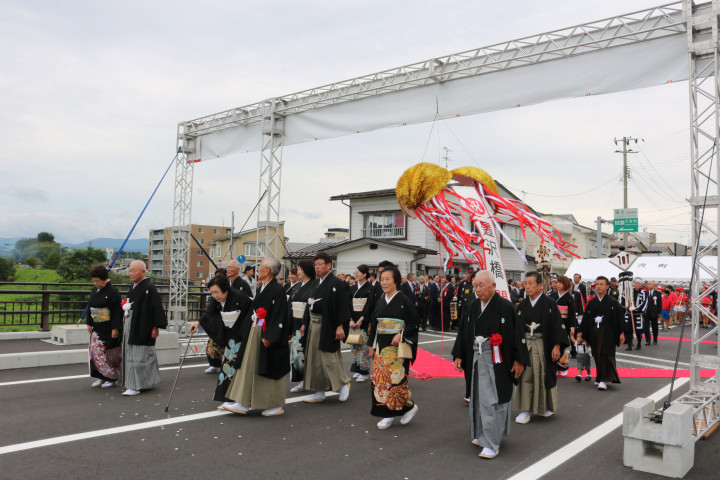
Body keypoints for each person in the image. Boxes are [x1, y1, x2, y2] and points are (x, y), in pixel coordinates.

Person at [452, 270, 529, 459]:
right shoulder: (471, 306)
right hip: (475, 358)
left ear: (493, 286)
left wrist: (519, 360)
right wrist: (459, 354)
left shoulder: (505, 306)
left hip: (497, 359)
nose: (477, 290)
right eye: (475, 285)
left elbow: (517, 334)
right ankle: (481, 434)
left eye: (481, 286)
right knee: (477, 397)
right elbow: (463, 331)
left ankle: (491, 442)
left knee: (492, 400)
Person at [222, 258, 290, 416]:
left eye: (260, 267)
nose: (257, 270)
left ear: (267, 271)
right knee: (250, 365)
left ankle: (274, 404)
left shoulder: (277, 290)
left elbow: (280, 315)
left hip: (265, 332)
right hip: (256, 328)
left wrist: (270, 336)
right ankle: (245, 401)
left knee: (268, 367)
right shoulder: (263, 288)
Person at [513, 272, 569, 424]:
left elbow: (558, 325)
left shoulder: (549, 303)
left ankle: (543, 406)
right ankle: (525, 409)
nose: (527, 286)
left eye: (531, 283)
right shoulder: (523, 304)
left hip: (543, 343)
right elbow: (517, 328)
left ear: (539, 286)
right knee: (526, 375)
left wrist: (557, 346)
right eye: (525, 283)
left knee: (543, 375)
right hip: (526, 343)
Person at [367, 265, 420, 430]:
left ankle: (389, 415)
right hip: (382, 346)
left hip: (398, 347)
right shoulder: (381, 300)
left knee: (395, 381)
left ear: (396, 281)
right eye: (382, 279)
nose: (384, 282)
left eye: (387, 279)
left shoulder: (404, 300)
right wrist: (371, 345)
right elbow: (375, 325)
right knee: (380, 381)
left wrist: (402, 335)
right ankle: (408, 407)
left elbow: (414, 323)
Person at [189, 274, 252, 405]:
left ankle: (238, 400)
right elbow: (209, 313)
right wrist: (197, 322)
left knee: (238, 367)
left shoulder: (240, 297)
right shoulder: (217, 300)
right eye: (212, 293)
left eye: (216, 292)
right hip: (231, 336)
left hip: (243, 335)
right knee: (228, 366)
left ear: (225, 288)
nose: (214, 296)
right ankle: (228, 398)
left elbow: (249, 317)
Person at [302, 252, 352, 403]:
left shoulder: (336, 283)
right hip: (314, 323)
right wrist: (305, 323)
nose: (317, 267)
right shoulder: (316, 283)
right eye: (315, 265)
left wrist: (340, 326)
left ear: (329, 265)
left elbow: (342, 305)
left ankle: (343, 384)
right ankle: (319, 391)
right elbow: (309, 304)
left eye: (320, 264)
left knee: (329, 357)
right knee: (314, 359)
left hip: (328, 324)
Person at [120, 260, 167, 396]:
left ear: (143, 271)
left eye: (134, 270)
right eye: (130, 270)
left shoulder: (149, 288)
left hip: (143, 326)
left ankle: (137, 385)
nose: (131, 273)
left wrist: (155, 327)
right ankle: (139, 383)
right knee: (131, 354)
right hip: (131, 323)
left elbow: (156, 308)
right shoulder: (133, 287)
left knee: (141, 356)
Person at [577, 276, 625, 391]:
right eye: (597, 284)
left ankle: (603, 380)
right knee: (597, 355)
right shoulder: (592, 302)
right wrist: (581, 333)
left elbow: (620, 319)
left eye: (601, 284)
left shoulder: (613, 303)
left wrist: (622, 333)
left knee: (606, 355)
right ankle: (599, 377)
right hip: (595, 332)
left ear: (607, 287)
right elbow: (586, 319)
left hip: (609, 333)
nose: (598, 286)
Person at [87, 264, 123, 388]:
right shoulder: (94, 291)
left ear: (105, 279)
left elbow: (116, 312)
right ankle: (99, 376)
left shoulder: (112, 292)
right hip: (97, 326)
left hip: (108, 326)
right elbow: (90, 307)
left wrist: (115, 328)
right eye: (94, 281)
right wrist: (89, 323)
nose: (95, 284)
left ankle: (110, 378)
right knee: (96, 353)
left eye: (97, 281)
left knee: (109, 352)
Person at [288, 259, 316, 393]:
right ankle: (301, 380)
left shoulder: (314, 285)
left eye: (299, 269)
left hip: (306, 322)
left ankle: (308, 379)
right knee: (297, 351)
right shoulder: (298, 286)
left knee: (306, 351)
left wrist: (306, 322)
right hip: (295, 321)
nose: (297, 271)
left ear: (306, 270)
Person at [349, 264, 373, 383]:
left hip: (363, 320)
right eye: (355, 272)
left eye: (358, 272)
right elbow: (347, 304)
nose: (355, 274)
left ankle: (364, 371)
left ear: (364, 274)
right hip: (353, 320)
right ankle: (357, 369)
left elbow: (369, 305)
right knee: (355, 345)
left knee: (363, 347)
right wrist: (350, 319)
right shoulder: (352, 288)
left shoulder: (370, 288)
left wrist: (362, 319)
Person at [555, 275, 578, 363]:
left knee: (565, 342)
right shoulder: (553, 295)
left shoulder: (569, 297)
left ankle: (564, 362)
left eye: (560, 283)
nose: (558, 285)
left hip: (566, 321)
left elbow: (572, 312)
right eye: (557, 282)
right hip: (555, 321)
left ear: (565, 284)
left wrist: (572, 326)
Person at [623, 278, 647, 351]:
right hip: (629, 314)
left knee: (638, 331)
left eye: (637, 283)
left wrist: (636, 308)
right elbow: (624, 300)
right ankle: (629, 345)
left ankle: (639, 344)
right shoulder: (630, 292)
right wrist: (623, 295)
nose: (635, 284)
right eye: (635, 283)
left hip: (638, 314)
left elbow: (644, 303)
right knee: (628, 330)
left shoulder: (644, 293)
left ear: (640, 284)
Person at [645, 280, 662, 344]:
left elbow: (660, 303)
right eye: (648, 284)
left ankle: (655, 340)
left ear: (653, 285)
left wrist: (659, 312)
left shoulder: (658, 293)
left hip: (654, 312)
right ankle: (648, 340)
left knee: (654, 327)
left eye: (650, 284)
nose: (649, 285)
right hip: (646, 312)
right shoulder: (645, 292)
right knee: (646, 327)